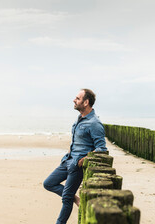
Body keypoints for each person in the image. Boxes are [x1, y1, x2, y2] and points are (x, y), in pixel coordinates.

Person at [43, 88, 107, 224]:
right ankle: (76, 199)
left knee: (66, 199)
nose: (74, 100)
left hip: (77, 166)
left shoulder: (95, 123)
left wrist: (85, 159)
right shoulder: (79, 119)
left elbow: (102, 148)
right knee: (48, 183)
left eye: (77, 98)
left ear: (86, 102)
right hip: (67, 160)